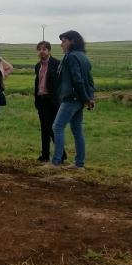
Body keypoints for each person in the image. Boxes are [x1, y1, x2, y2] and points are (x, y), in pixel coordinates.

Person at [49, 30, 95, 169]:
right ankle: (79, 164)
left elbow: (78, 80)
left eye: (64, 41)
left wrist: (85, 97)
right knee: (77, 130)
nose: (61, 44)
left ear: (72, 41)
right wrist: (89, 97)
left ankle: (56, 162)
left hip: (71, 98)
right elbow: (90, 81)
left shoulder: (71, 57)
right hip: (80, 99)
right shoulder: (83, 57)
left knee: (57, 127)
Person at [33, 41, 65, 163]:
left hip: (53, 101)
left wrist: (59, 99)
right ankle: (45, 155)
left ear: (49, 51)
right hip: (41, 100)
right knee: (44, 128)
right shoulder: (37, 66)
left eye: (44, 49)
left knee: (53, 128)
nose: (42, 51)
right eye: (39, 49)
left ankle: (60, 154)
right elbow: (38, 83)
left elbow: (60, 83)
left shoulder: (57, 64)